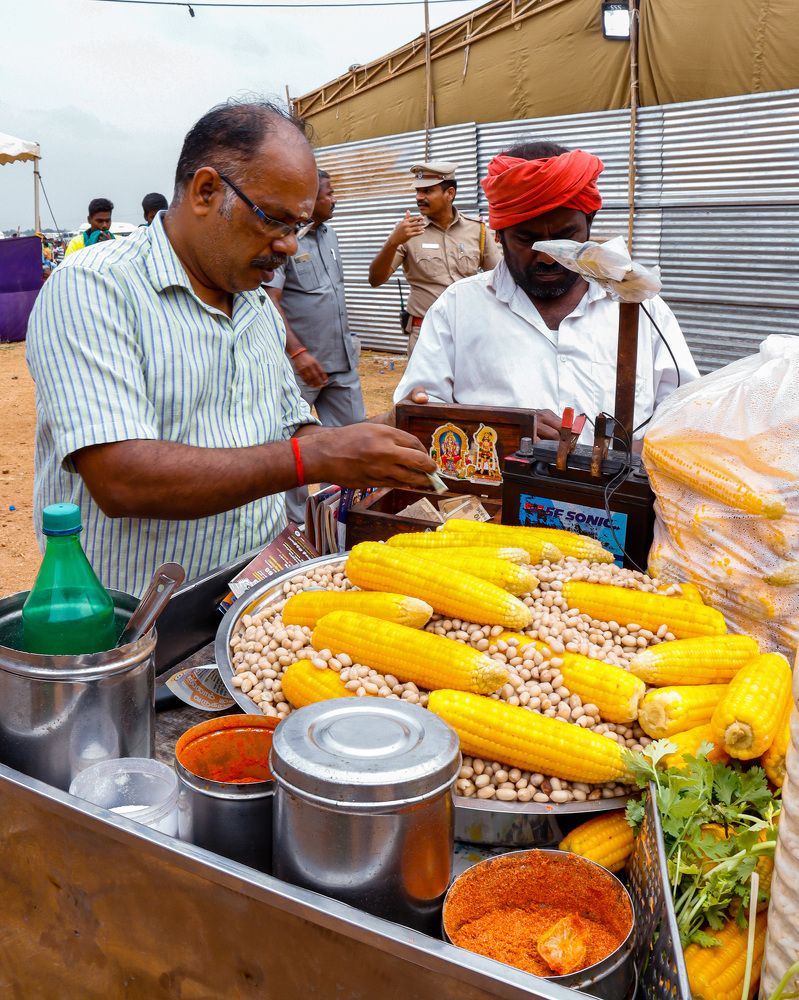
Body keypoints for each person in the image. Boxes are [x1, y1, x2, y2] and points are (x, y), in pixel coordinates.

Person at [27, 100, 435, 597]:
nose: (289, 246)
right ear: (205, 191)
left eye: (297, 229)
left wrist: (388, 431)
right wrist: (312, 458)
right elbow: (121, 479)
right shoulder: (94, 287)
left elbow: (295, 428)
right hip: (134, 618)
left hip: (250, 593)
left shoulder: (254, 302)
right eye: (275, 221)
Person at [393, 139, 699, 444]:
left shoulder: (640, 306)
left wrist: (627, 456)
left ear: (588, 224)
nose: (548, 257)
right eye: (528, 240)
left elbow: (686, 418)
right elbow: (417, 419)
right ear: (499, 235)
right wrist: (507, 431)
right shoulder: (458, 307)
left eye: (566, 237)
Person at [264, 169, 366, 525]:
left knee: (351, 441)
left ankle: (339, 521)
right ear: (310, 200)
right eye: (329, 193)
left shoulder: (331, 236)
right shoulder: (286, 240)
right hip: (301, 368)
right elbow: (271, 300)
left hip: (341, 361)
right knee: (296, 451)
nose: (334, 199)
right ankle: (294, 529)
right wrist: (296, 352)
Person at [368, 161, 502, 356]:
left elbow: (499, 276)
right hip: (425, 332)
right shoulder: (407, 232)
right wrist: (392, 242)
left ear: (450, 194)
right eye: (417, 192)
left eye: (427, 191)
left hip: (468, 330)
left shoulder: (477, 230)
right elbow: (375, 279)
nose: (419, 197)